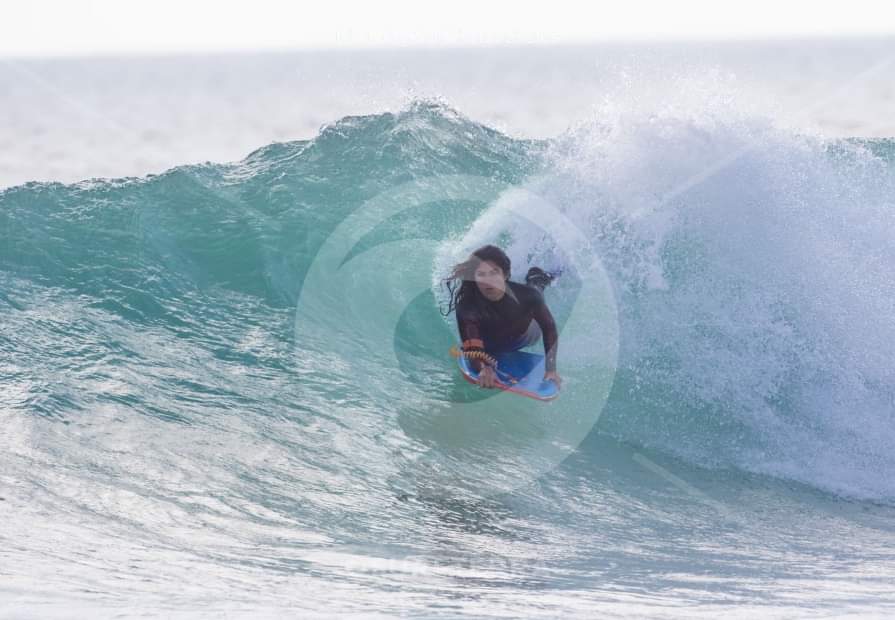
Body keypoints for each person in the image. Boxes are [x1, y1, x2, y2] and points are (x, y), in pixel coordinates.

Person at [442, 244, 561, 389]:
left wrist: (551, 369)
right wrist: (483, 367)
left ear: (505, 274)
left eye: (494, 272)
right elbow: (472, 348)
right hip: (490, 344)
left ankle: (537, 278)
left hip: (526, 335)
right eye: (481, 274)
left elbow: (549, 328)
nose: (488, 280)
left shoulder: (527, 297)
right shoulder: (467, 307)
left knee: (535, 290)